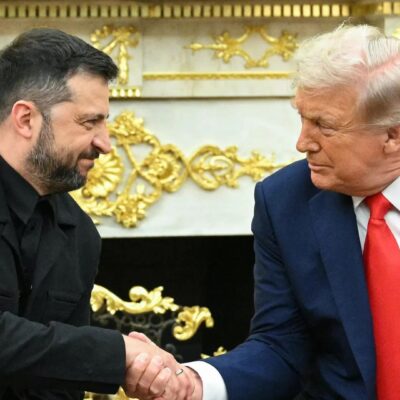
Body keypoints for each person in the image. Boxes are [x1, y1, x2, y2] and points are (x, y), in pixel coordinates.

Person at [130, 23, 400, 400]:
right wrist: (193, 383)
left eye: (324, 125)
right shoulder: (286, 201)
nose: (302, 143)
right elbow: (281, 346)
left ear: (392, 135)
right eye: (302, 118)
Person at [0, 28, 195, 400]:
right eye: (89, 123)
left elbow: (57, 382)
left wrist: (130, 363)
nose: (105, 143)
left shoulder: (79, 233)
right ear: (25, 119)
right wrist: (119, 354)